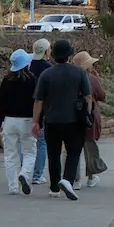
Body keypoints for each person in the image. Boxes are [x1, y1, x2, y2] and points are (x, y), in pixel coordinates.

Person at [31, 39, 90, 201]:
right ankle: (67, 180)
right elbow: (88, 96)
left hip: (52, 120)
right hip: (74, 120)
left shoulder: (46, 74)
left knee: (53, 154)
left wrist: (35, 121)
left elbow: (38, 101)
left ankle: (54, 188)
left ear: (53, 56)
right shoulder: (79, 72)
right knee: (73, 152)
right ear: (70, 55)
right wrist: (87, 115)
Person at [0, 48, 37, 195]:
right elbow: (37, 101)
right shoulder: (32, 79)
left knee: (10, 155)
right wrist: (38, 121)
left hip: (9, 121)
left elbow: (0, 102)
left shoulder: (7, 80)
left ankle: (12, 187)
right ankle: (24, 173)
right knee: (29, 152)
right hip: (27, 120)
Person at [72, 51, 110, 186]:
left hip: (73, 116)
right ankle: (91, 176)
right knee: (90, 146)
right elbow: (101, 96)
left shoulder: (71, 78)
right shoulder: (91, 79)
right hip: (88, 115)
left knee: (73, 149)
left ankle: (74, 179)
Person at [26, 38, 52, 183]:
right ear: (46, 52)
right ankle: (38, 174)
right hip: (43, 110)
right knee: (41, 142)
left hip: (26, 110)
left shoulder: (28, 65)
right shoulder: (49, 69)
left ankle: (25, 171)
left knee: (26, 143)